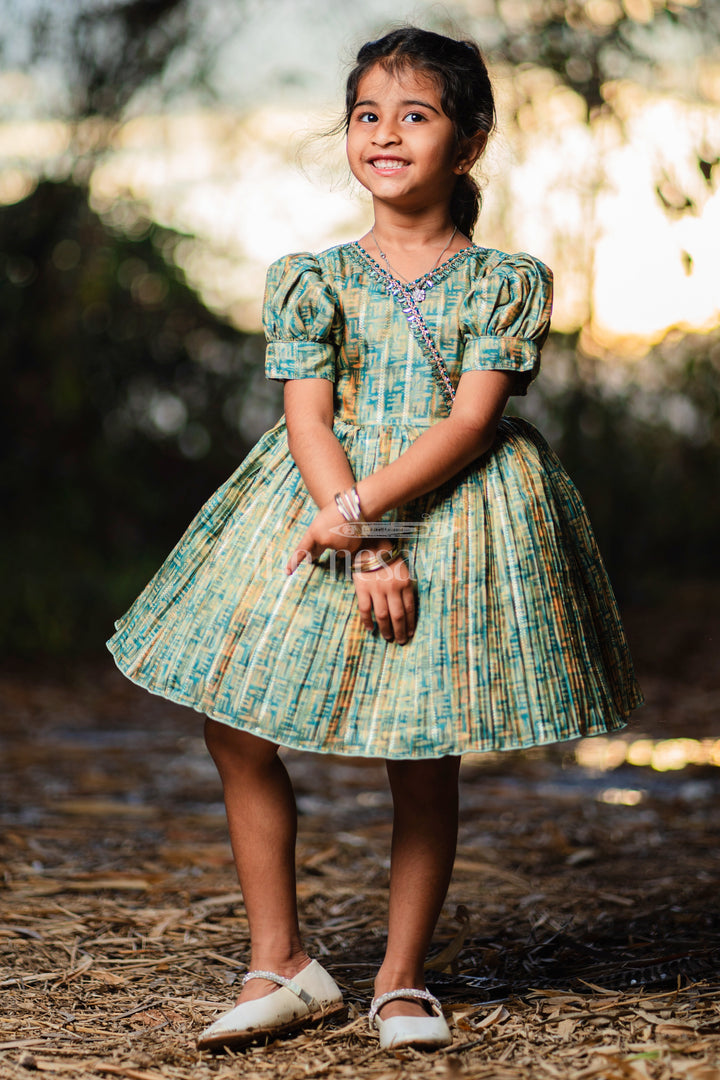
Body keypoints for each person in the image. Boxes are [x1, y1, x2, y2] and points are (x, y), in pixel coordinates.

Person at [107, 26, 643, 1053]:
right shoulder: (313, 277)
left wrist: (377, 526)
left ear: (469, 140)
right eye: (367, 115)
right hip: (324, 496)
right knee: (234, 718)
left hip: (451, 506)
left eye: (416, 114)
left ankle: (401, 980)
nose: (386, 134)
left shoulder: (503, 281)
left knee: (420, 742)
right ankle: (283, 960)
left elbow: (468, 423)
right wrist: (357, 534)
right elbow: (309, 419)